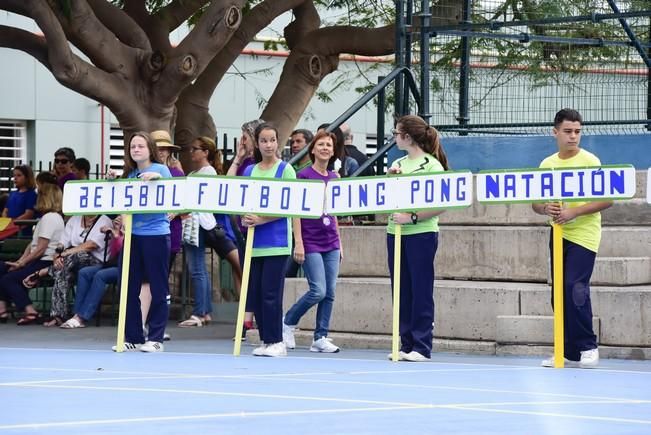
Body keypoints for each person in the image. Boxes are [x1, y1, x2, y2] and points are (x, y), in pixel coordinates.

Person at [533, 108, 612, 369]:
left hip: (584, 234)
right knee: (558, 293)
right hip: (557, 233)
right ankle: (568, 351)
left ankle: (588, 346)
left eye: (578, 131)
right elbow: (535, 203)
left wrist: (573, 212)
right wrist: (546, 208)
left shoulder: (590, 161)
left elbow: (607, 199)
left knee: (574, 288)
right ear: (555, 132)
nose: (573, 136)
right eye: (568, 131)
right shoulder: (547, 164)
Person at [386, 115, 449, 362]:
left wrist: (412, 217)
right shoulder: (398, 163)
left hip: (421, 233)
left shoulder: (432, 166)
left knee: (420, 288)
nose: (394, 137)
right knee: (400, 289)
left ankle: (422, 345)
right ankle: (406, 342)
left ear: (407, 136)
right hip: (395, 233)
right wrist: (391, 180)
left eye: (396, 132)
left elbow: (441, 204)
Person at [108, 131, 171, 353]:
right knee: (128, 286)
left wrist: (157, 179)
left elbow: (172, 193)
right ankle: (133, 335)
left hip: (156, 235)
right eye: (133, 146)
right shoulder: (130, 174)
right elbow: (123, 205)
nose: (136, 149)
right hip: (133, 237)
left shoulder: (161, 169)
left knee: (158, 286)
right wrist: (113, 184)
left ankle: (156, 338)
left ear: (149, 149)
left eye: (140, 146)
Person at [282, 131, 343, 353]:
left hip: (331, 241)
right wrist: (298, 242)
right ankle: (287, 322)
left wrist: (340, 242)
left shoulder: (335, 178)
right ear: (313, 149)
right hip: (310, 240)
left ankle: (321, 336)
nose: (325, 148)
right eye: (321, 144)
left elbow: (334, 212)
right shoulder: (304, 176)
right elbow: (295, 212)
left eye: (329, 145)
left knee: (331, 291)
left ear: (333, 151)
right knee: (318, 290)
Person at [241, 122, 296, 357]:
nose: (268, 145)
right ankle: (265, 339)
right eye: (263, 140)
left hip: (277, 241)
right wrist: (244, 218)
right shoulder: (250, 171)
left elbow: (291, 205)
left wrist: (262, 219)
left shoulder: (285, 170)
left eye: (272, 140)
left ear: (278, 142)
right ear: (257, 143)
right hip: (254, 243)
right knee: (256, 292)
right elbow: (242, 202)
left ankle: (277, 341)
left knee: (271, 293)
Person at [178, 136, 241, 327]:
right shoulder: (200, 172)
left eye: (195, 149)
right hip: (199, 223)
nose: (192, 152)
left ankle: (200, 312)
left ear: (205, 152)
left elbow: (200, 201)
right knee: (199, 270)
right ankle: (203, 312)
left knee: (197, 269)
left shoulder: (206, 172)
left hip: (197, 223)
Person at [24, 213, 112, 326]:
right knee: (62, 271)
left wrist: (65, 254)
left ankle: (45, 271)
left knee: (76, 256)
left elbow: (91, 245)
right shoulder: (75, 219)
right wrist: (57, 255)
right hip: (70, 262)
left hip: (95, 261)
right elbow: (62, 243)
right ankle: (59, 316)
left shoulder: (105, 220)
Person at [0, 183, 64, 324]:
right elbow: (32, 244)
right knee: (3, 271)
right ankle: (2, 309)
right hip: (38, 259)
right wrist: (20, 261)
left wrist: (22, 263)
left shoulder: (50, 218)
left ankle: (30, 311)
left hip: (44, 261)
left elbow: (41, 248)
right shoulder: (48, 217)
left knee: (8, 279)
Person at [60, 217, 123, 329]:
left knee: (101, 275)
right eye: (118, 215)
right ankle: (77, 313)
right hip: (111, 264)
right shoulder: (114, 232)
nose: (118, 218)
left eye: (122, 216)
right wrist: (114, 233)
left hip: (126, 267)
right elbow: (113, 252)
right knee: (85, 272)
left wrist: (117, 235)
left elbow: (122, 250)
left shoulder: (130, 233)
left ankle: (82, 316)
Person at [2, 165, 37, 236]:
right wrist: (7, 223)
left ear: (27, 178)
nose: (15, 178)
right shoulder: (12, 194)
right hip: (8, 230)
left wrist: (13, 223)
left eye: (19, 175)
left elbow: (28, 214)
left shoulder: (31, 194)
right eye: (14, 175)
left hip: (22, 231)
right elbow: (5, 210)